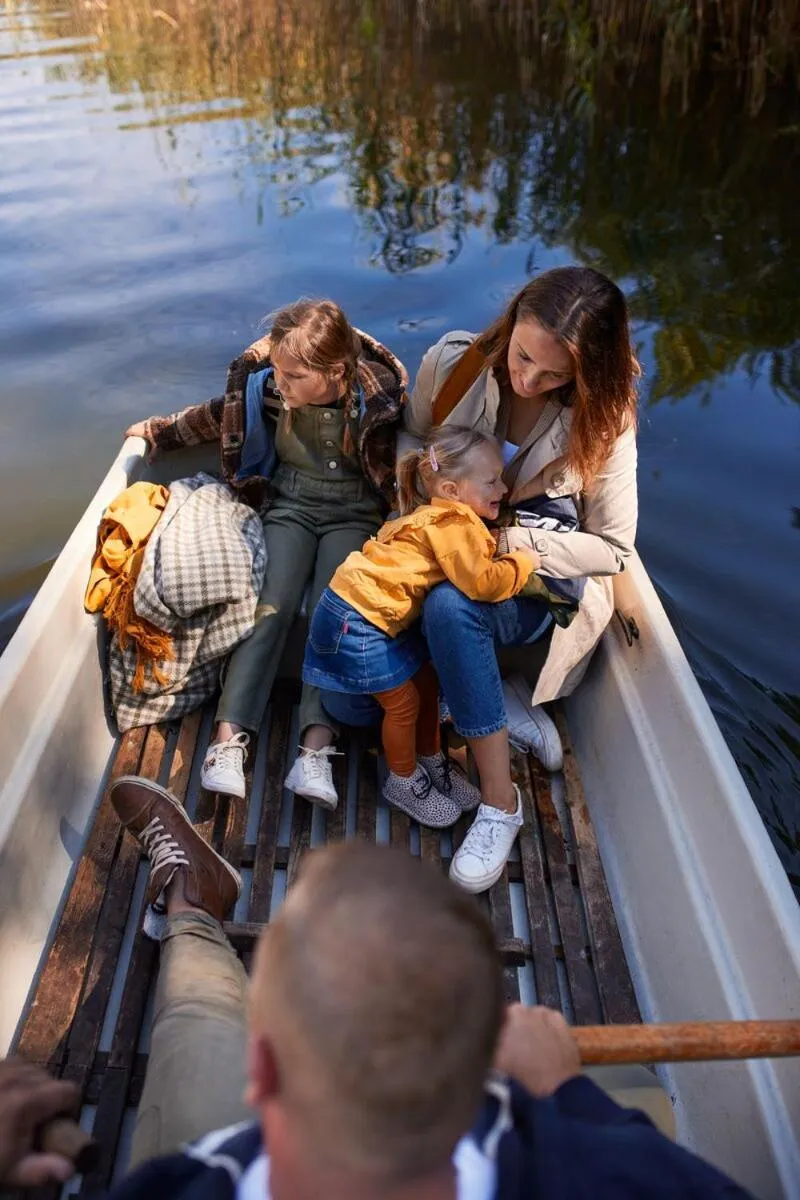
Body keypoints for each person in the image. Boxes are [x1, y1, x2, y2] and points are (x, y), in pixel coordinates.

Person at [0, 777, 750, 1199]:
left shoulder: (177, 1189)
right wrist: (563, 1094)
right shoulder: (617, 1175)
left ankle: (192, 908)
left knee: (197, 1013)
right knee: (638, 1088)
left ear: (261, 1074)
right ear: (482, 1078)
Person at [401, 265, 639, 892]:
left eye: (554, 374)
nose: (528, 378)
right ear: (510, 325)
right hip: (448, 541)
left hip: (533, 573)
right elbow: (409, 437)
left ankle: (500, 803)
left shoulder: (606, 422)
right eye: (522, 356)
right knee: (359, 677)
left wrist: (513, 541)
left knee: (452, 608)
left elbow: (613, 549)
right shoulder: (452, 364)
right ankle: (500, 702)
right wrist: (428, 508)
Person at [126, 299, 407, 812]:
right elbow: (217, 416)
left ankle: (316, 749)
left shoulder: (377, 401)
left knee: (333, 613)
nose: (281, 382)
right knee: (267, 607)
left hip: (355, 515)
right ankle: (227, 740)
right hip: (291, 505)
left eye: (295, 375)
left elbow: (414, 455)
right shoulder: (267, 388)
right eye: (277, 369)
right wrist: (160, 432)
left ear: (336, 372)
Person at [303, 425, 540, 843]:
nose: (503, 488)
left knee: (427, 682)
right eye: (491, 481)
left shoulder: (427, 513)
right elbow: (480, 583)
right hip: (356, 623)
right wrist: (522, 564)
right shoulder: (454, 524)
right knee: (405, 705)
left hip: (349, 611)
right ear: (451, 488)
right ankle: (403, 779)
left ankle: (431, 759)